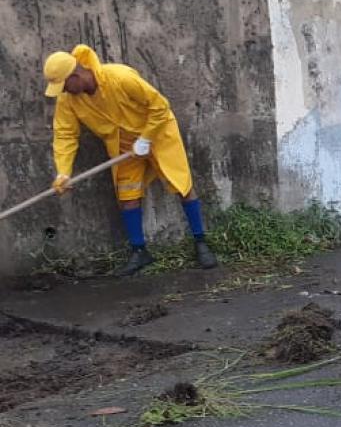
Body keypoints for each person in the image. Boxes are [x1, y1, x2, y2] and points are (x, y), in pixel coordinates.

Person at [44, 44, 217, 276]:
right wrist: (63, 172)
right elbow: (65, 134)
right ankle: (139, 252)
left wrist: (146, 138)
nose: (64, 91)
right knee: (127, 194)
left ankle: (200, 242)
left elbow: (160, 106)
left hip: (157, 134)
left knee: (181, 184)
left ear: (76, 75)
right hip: (123, 146)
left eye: (65, 85)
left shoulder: (120, 77)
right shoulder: (68, 100)